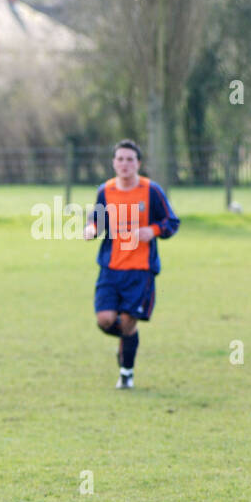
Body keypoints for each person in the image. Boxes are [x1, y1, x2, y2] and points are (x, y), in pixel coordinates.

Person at [83, 140, 179, 389]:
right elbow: (98, 219)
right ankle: (128, 342)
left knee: (127, 321)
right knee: (105, 319)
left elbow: (172, 221)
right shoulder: (106, 190)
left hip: (140, 270)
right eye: (120, 159)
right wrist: (92, 229)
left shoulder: (151, 191)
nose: (124, 164)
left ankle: (126, 372)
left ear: (138, 163)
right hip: (111, 268)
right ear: (113, 162)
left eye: (130, 159)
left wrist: (154, 229)